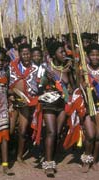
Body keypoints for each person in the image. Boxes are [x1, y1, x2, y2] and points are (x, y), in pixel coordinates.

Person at [40, 41, 76, 177]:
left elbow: (74, 86)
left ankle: (50, 155)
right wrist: (46, 79)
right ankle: (48, 164)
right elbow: (39, 86)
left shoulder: (67, 68)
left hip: (62, 105)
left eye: (64, 52)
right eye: (61, 52)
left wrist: (73, 71)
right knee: (51, 132)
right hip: (49, 104)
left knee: (57, 133)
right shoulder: (47, 68)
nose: (64, 54)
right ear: (53, 54)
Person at [8, 43, 39, 163]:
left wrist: (29, 97)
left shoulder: (35, 68)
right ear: (19, 54)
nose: (26, 56)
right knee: (10, 129)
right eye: (23, 54)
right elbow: (9, 81)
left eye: (28, 54)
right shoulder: (12, 66)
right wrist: (11, 94)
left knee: (22, 130)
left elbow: (35, 86)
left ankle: (19, 156)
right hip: (12, 101)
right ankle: (10, 150)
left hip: (26, 103)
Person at [80, 43, 99, 172]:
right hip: (87, 106)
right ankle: (86, 159)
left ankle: (94, 160)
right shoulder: (83, 69)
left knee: (98, 137)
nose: (95, 57)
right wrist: (84, 83)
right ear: (87, 56)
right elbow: (77, 85)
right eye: (92, 54)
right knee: (91, 135)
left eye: (98, 55)